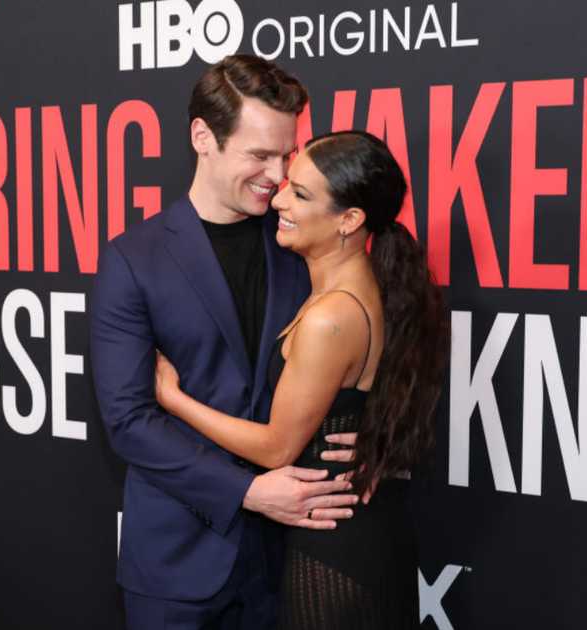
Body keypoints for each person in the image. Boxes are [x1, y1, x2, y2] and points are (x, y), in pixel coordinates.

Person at [90, 55, 362, 630]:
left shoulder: (302, 244)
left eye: (286, 156)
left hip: (287, 564)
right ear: (202, 137)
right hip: (176, 570)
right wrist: (247, 491)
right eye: (258, 154)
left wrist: (372, 437)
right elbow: (128, 420)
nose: (276, 174)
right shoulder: (132, 261)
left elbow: (360, 344)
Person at [155, 130, 450, 629]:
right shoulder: (355, 290)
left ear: (349, 220)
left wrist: (172, 397)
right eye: (289, 182)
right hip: (343, 535)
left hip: (335, 551)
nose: (280, 199)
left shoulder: (331, 317)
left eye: (302, 194)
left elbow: (275, 449)